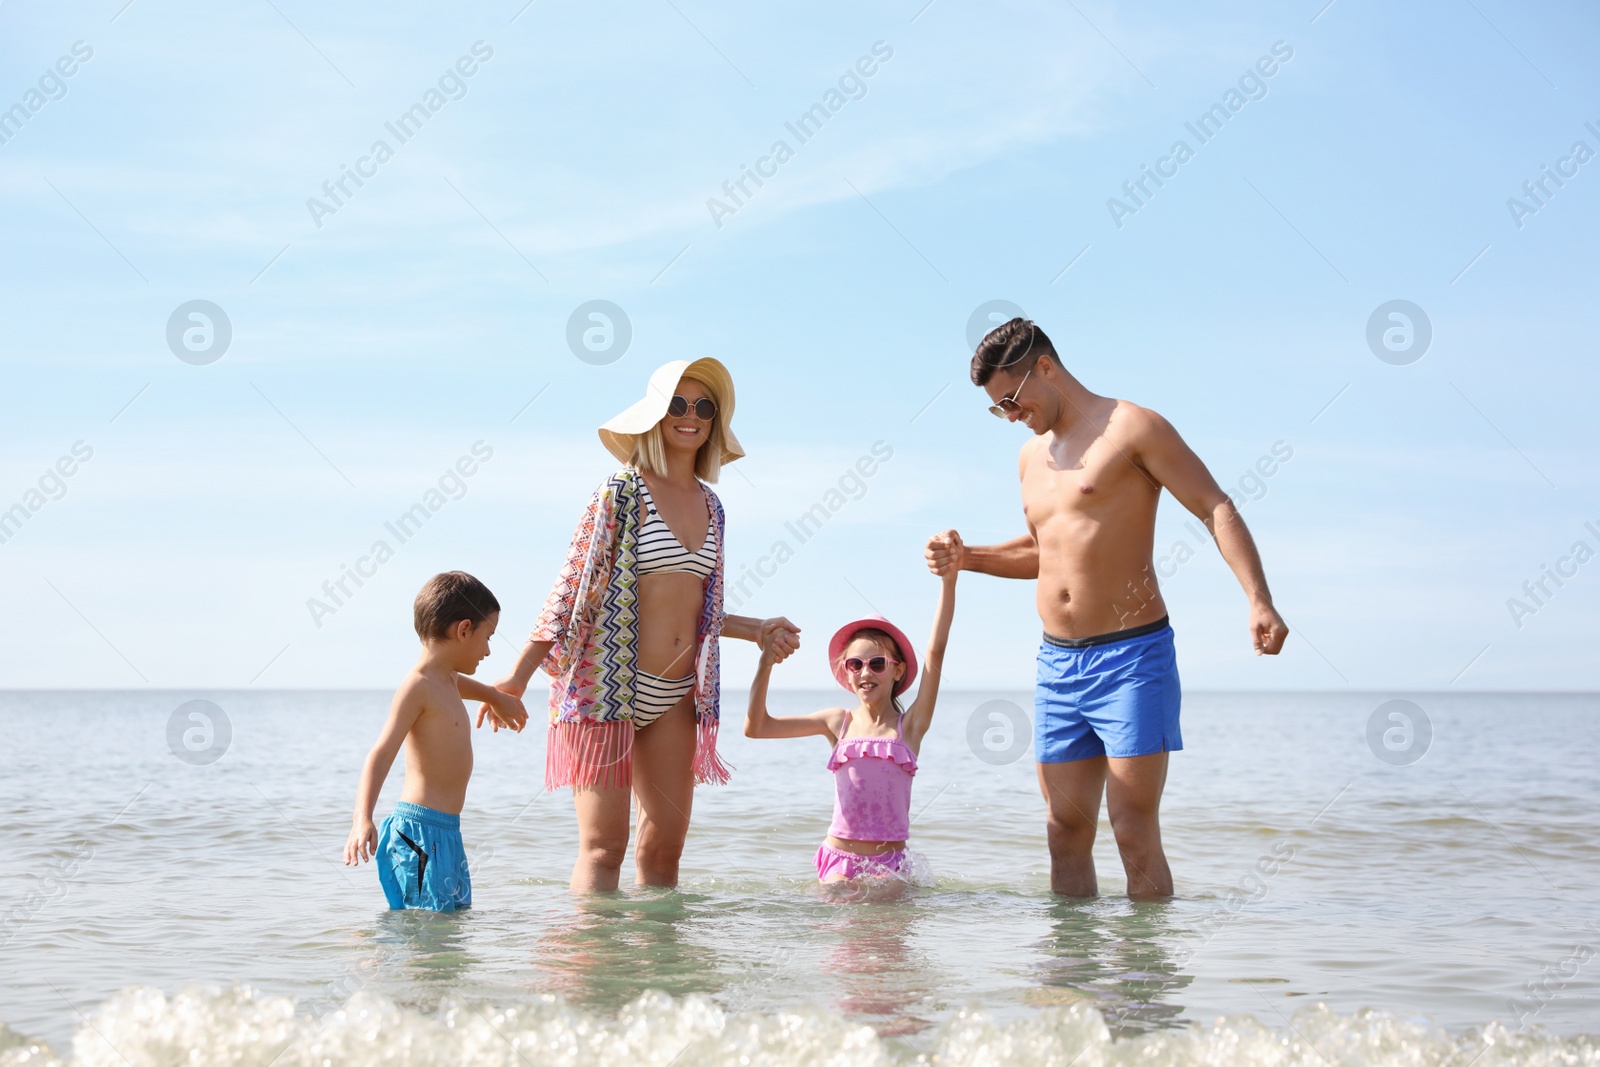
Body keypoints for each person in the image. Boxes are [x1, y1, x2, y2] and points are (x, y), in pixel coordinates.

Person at [926, 318, 1289, 900]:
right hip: (1057, 665)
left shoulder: (1132, 427)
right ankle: (1074, 984)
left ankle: (1144, 986)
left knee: (1131, 828)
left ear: (1044, 367)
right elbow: (1044, 553)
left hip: (1131, 657)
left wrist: (1258, 599)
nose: (1012, 418)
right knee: (1063, 831)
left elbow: (1214, 506)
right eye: (999, 411)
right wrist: (967, 557)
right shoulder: (1029, 458)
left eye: (1012, 402)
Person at [489, 359, 800, 892]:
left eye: (705, 408)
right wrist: (516, 679)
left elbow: (698, 611)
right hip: (605, 688)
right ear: (655, 417)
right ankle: (593, 972)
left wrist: (758, 628)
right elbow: (571, 591)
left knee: (663, 853)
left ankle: (660, 972)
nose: (691, 417)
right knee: (604, 849)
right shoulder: (621, 492)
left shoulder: (713, 506)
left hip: (678, 695)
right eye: (677, 405)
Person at [743, 564, 956, 883]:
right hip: (839, 861)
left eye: (877, 664)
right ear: (846, 671)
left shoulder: (909, 727)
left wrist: (948, 581)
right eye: (855, 664)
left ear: (897, 671)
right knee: (839, 906)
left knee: (887, 911)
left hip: (891, 867)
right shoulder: (836, 722)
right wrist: (765, 665)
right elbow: (757, 727)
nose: (865, 672)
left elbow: (935, 651)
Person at [343, 571, 528, 911]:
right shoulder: (417, 687)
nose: (488, 650)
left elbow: (465, 685)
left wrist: (496, 697)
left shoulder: (447, 680)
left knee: (451, 928)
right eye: (487, 637)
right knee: (423, 931)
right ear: (464, 630)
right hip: (418, 833)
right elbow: (381, 754)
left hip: (448, 833)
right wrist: (362, 818)